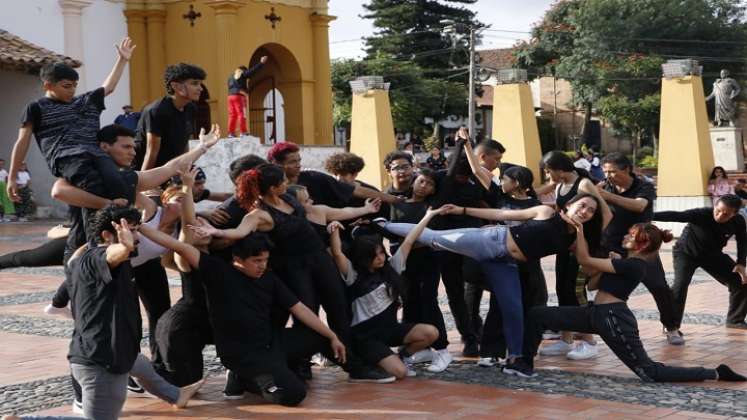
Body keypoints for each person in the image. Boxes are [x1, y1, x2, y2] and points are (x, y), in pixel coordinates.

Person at [192, 163, 396, 384]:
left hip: (320, 260)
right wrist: (215, 231)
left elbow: (328, 211)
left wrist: (365, 210)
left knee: (340, 310)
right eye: (283, 181)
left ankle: (354, 366)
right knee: (306, 317)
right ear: (272, 188)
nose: (287, 183)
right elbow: (239, 232)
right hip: (294, 269)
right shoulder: (259, 214)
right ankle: (301, 366)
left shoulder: (289, 198)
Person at [3, 206, 203, 420]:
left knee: (139, 364)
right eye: (131, 231)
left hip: (103, 350)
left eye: (135, 230)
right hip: (102, 364)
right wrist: (124, 247)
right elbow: (110, 255)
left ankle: (175, 395)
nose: (136, 237)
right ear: (107, 235)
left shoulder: (84, 255)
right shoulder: (101, 259)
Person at [378, 193, 604, 377]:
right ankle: (381, 225)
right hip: (490, 240)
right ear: (571, 204)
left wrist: (580, 231)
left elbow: (584, 260)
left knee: (513, 309)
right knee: (431, 236)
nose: (584, 212)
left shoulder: (574, 238)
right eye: (582, 205)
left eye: (590, 211)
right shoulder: (546, 212)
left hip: (505, 263)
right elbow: (501, 213)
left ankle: (515, 359)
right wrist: (463, 210)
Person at [141, 229, 348, 406]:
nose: (262, 265)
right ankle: (249, 379)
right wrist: (141, 226)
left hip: (270, 343)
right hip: (242, 354)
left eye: (265, 260)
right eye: (257, 261)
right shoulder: (218, 272)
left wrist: (332, 336)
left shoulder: (268, 277)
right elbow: (181, 247)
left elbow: (299, 308)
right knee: (294, 394)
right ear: (238, 260)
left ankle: (278, 370)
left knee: (319, 337)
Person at [525, 220, 747, 383]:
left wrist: (580, 230)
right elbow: (592, 285)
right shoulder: (624, 262)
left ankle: (715, 372)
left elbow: (583, 259)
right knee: (537, 314)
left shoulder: (636, 265)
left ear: (641, 245)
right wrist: (607, 264)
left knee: (649, 372)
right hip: (595, 314)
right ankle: (522, 363)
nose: (625, 237)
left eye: (631, 236)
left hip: (614, 319)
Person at [7, 39, 135, 206]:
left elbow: (108, 87)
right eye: (66, 86)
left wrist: (123, 60)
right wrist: (12, 176)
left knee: (121, 184)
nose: (72, 90)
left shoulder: (85, 102)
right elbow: (22, 141)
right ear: (48, 86)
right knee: (93, 186)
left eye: (75, 86)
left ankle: (122, 220)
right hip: (68, 158)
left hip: (97, 155)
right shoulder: (36, 108)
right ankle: (107, 210)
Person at [327, 208, 440, 379]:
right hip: (366, 338)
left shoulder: (392, 268)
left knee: (431, 332)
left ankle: (403, 357)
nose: (380, 258)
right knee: (400, 373)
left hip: (391, 330)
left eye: (381, 253)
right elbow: (337, 253)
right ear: (363, 257)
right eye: (375, 255)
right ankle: (370, 362)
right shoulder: (353, 275)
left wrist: (428, 216)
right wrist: (334, 229)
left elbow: (409, 240)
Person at [597, 152, 681, 345]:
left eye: (612, 171)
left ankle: (671, 327)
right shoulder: (605, 186)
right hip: (613, 244)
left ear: (627, 169)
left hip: (642, 246)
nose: (608, 176)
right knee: (611, 287)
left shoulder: (644, 186)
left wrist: (606, 195)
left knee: (659, 287)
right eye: (605, 172)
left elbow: (638, 206)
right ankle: (611, 329)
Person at [539, 151, 612, 360]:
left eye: (548, 170)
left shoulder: (584, 185)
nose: (547, 174)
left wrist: (588, 241)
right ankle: (566, 338)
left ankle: (589, 341)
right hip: (566, 247)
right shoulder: (560, 186)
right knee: (563, 290)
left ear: (560, 169)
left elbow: (606, 214)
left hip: (582, 249)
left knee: (577, 292)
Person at [653, 194, 747, 331]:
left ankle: (735, 320)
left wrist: (741, 263)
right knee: (680, 286)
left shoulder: (738, 221)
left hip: (712, 255)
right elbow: (676, 215)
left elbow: (743, 241)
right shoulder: (701, 214)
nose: (720, 215)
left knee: (740, 281)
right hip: (686, 253)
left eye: (726, 214)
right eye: (718, 210)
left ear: (734, 214)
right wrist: (647, 215)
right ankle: (671, 326)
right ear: (715, 205)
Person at [266, 142, 400, 207]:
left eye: (299, 160)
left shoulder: (315, 178)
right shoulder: (267, 186)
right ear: (277, 164)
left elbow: (356, 191)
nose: (298, 165)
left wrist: (394, 200)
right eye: (292, 162)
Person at [136, 63, 206, 170]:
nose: (200, 88)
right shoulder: (157, 111)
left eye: (200, 84)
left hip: (172, 171)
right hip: (148, 171)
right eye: (195, 83)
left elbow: (184, 144)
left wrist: (184, 171)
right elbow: (151, 152)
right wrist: (146, 184)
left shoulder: (191, 108)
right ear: (176, 86)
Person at [227, 56, 267, 137]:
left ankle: (230, 133)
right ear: (243, 70)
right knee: (242, 114)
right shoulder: (242, 73)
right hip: (239, 96)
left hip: (230, 97)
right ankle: (243, 132)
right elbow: (252, 71)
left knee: (232, 115)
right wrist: (261, 63)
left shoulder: (230, 77)